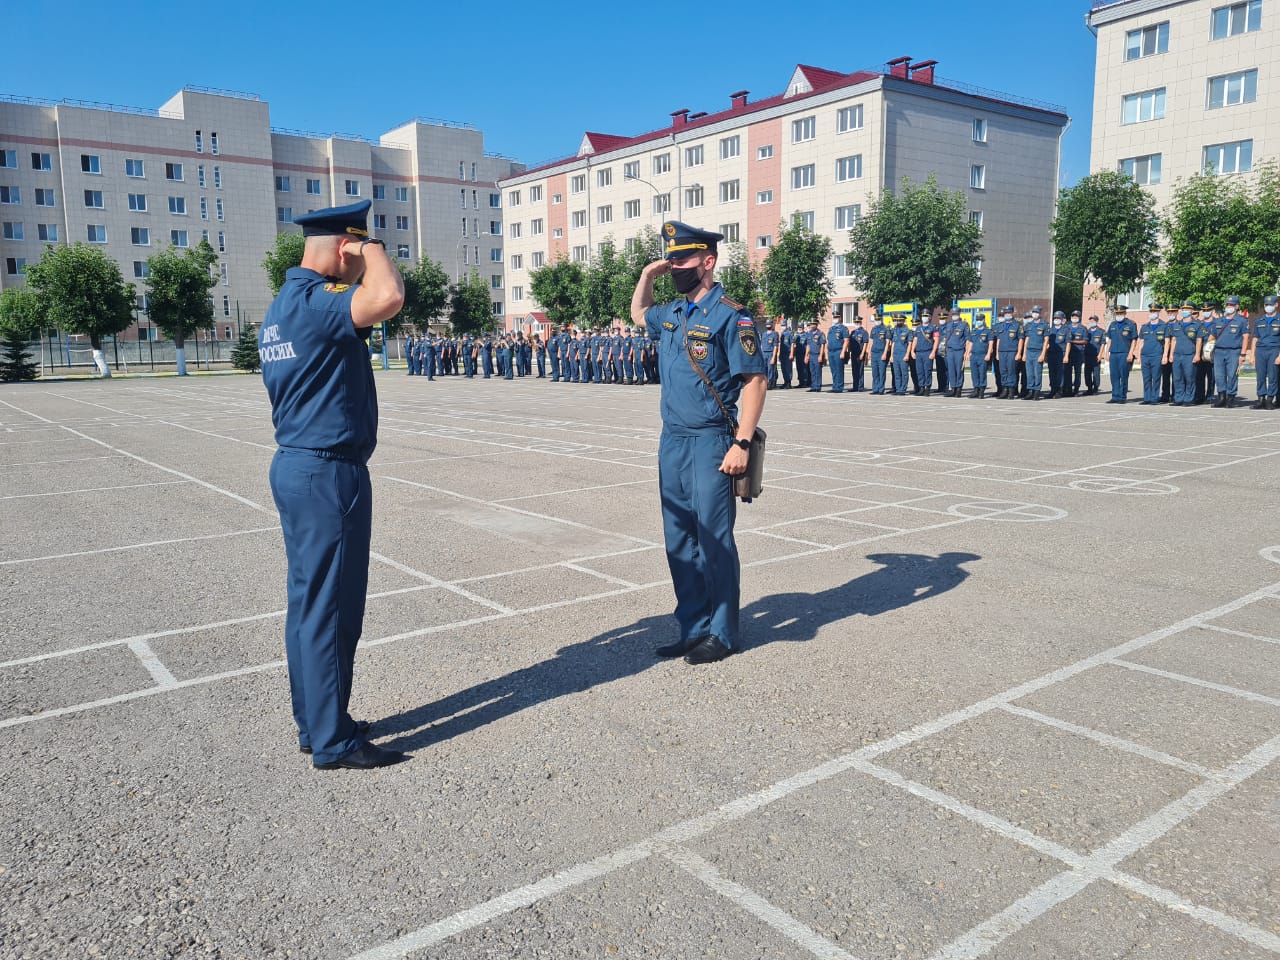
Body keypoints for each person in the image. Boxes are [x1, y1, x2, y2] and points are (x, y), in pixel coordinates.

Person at [259, 200, 408, 771]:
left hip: (299, 466)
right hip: (327, 471)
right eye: (358, 251)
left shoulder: (281, 306)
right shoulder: (319, 302)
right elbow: (388, 298)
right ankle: (332, 741)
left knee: (309, 604)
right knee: (331, 608)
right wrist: (372, 247)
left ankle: (317, 720)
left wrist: (356, 248)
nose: (361, 266)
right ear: (345, 246)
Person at [630, 221, 767, 665]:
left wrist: (741, 443)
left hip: (712, 441)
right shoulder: (671, 312)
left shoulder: (732, 314)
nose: (675, 267)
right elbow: (638, 315)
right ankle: (692, 627)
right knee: (678, 539)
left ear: (708, 262)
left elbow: (755, 381)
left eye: (682, 260)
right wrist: (647, 276)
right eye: (671, 259)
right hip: (672, 440)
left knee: (713, 540)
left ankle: (723, 632)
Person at [1209, 296, 1248, 407]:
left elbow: (1246, 337)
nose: (1229, 307)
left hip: (1233, 352)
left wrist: (1243, 354)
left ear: (1237, 306)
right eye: (1227, 305)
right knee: (1219, 375)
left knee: (1232, 375)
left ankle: (1230, 398)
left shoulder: (1242, 321)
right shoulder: (1218, 321)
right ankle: (1221, 398)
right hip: (1219, 352)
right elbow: (1212, 337)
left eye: (1231, 305)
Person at [1102, 304, 1138, 403]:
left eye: (1121, 313)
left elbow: (1134, 340)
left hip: (1124, 353)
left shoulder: (1131, 324)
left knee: (1123, 375)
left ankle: (1122, 397)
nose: (1119, 315)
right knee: (1114, 376)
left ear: (1125, 313)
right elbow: (1109, 339)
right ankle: (1115, 396)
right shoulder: (1112, 324)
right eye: (1117, 313)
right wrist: (1106, 352)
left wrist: (1131, 353)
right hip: (1114, 353)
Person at [1250, 295, 1280, 409]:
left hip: (1274, 350)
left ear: (1276, 305)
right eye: (1266, 305)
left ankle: (1270, 400)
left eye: (1271, 305)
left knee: (1273, 377)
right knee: (1260, 377)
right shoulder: (1259, 320)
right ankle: (1261, 399)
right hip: (1261, 351)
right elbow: (1255, 339)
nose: (1268, 307)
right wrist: (1252, 355)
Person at [1171, 300, 1203, 406]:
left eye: (1187, 309)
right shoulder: (1177, 324)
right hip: (1177, 354)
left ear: (1192, 310)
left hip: (1189, 355)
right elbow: (1174, 340)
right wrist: (1171, 354)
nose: (1185, 311)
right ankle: (1178, 398)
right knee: (1177, 378)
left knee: (1190, 378)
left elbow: (1199, 340)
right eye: (1183, 309)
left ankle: (1189, 399)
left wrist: (1197, 354)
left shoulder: (1197, 325)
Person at [1136, 304, 1165, 405]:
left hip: (1157, 355)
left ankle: (1154, 398)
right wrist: (1138, 356)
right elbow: (1141, 342)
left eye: (1155, 312)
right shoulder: (1145, 327)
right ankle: (1147, 398)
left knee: (1156, 377)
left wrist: (1165, 355)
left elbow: (1168, 342)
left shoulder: (1164, 326)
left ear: (1158, 313)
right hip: (1145, 355)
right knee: (1146, 378)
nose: (1152, 313)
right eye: (1151, 311)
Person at [993, 306, 1022, 399]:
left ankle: (1011, 391)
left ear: (1013, 313)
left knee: (1011, 371)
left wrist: (1019, 353)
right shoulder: (1001, 325)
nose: (1007, 314)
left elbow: (1021, 340)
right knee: (1003, 371)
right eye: (1006, 313)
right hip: (1002, 351)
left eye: (1009, 313)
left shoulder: (1017, 325)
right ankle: (1004, 390)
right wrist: (997, 353)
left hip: (1012, 351)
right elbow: (998, 340)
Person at [1020, 310, 1048, 400]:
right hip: (1029, 351)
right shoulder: (1029, 325)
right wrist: (1024, 353)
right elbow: (1026, 340)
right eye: (1033, 312)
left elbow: (1046, 341)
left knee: (1037, 373)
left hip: (1038, 351)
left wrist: (1043, 354)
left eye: (1036, 312)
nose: (1035, 314)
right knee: (1029, 373)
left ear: (1040, 313)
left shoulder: (1044, 325)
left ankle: (1037, 391)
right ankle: (1030, 391)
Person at [942, 307, 968, 397]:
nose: (954, 316)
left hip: (959, 350)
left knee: (959, 370)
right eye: (953, 314)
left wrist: (967, 352)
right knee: (951, 370)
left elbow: (967, 340)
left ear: (959, 314)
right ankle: (953, 388)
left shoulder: (964, 325)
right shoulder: (949, 325)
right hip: (950, 350)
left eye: (956, 314)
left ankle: (958, 389)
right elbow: (946, 338)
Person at [967, 311, 991, 398]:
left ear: (984, 320)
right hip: (974, 355)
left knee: (982, 373)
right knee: (974, 373)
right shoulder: (974, 331)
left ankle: (981, 390)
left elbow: (991, 344)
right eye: (977, 320)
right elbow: (971, 343)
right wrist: (968, 353)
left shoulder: (988, 331)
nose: (978, 321)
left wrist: (988, 354)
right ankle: (976, 389)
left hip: (982, 355)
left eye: (980, 319)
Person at [888, 313, 913, 395]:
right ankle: (898, 389)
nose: (898, 322)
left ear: (903, 321)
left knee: (904, 373)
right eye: (897, 320)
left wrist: (907, 355)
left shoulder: (908, 331)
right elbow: (893, 343)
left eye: (900, 320)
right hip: (895, 354)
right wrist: (891, 355)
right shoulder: (895, 330)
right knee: (897, 373)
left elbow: (910, 344)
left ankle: (903, 389)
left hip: (903, 353)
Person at [867, 312, 890, 395]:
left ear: (881, 319)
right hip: (874, 352)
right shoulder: (873, 329)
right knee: (875, 372)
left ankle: (881, 389)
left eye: (878, 319)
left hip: (881, 352)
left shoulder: (885, 329)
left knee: (881, 372)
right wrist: (869, 352)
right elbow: (871, 341)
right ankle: (875, 388)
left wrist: (885, 353)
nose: (877, 321)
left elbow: (887, 342)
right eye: (876, 319)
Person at [826, 314, 849, 392]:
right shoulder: (831, 329)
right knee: (833, 370)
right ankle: (835, 386)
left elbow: (846, 341)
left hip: (838, 351)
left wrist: (843, 352)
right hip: (831, 351)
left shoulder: (843, 329)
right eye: (834, 317)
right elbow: (828, 341)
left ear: (840, 318)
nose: (835, 319)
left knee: (839, 369)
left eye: (836, 317)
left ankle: (839, 387)